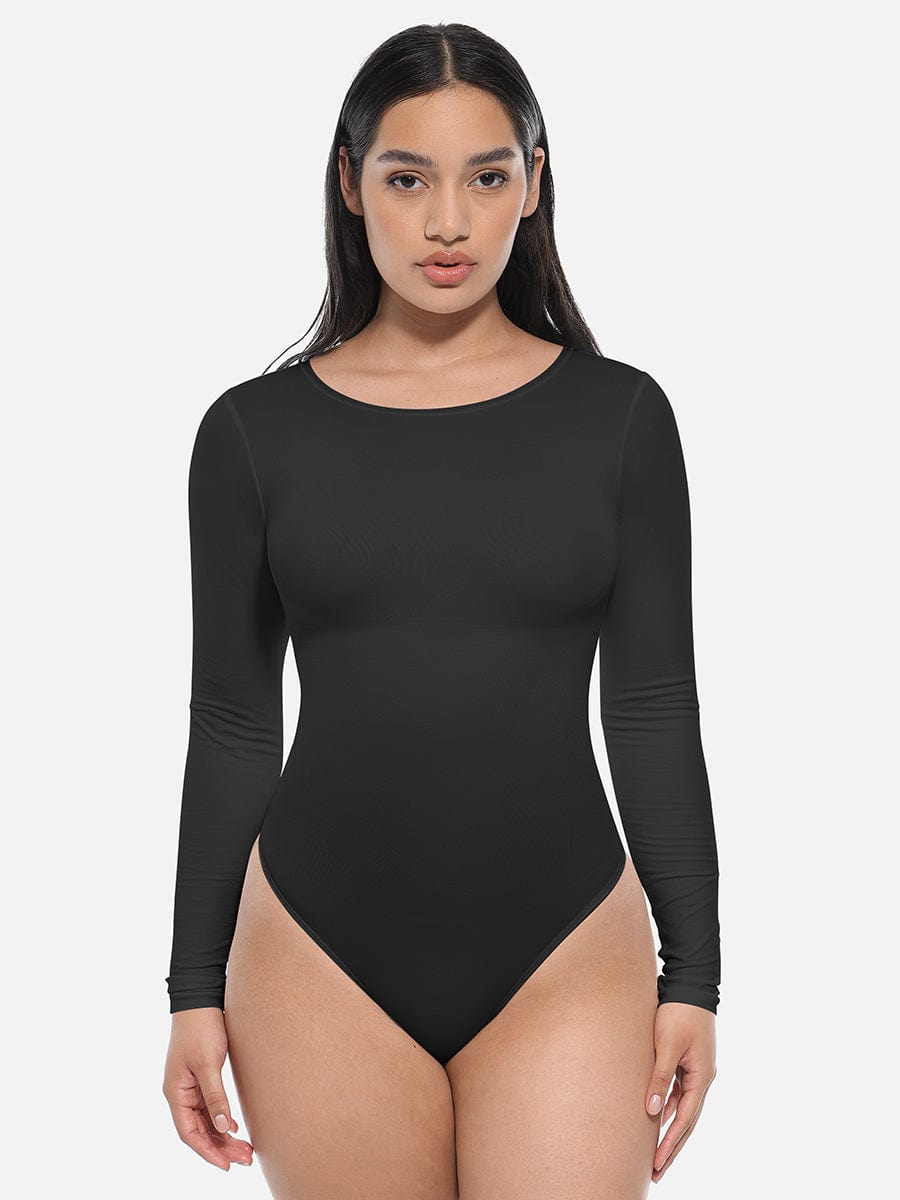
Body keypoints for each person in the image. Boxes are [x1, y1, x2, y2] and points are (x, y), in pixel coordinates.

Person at [161, 21, 720, 1199]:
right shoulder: (253, 434)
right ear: (350, 183)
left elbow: (655, 707)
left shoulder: (621, 419)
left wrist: (696, 977)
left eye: (488, 177)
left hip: (568, 948)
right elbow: (233, 726)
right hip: (314, 955)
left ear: (535, 181)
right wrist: (192, 991)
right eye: (408, 179)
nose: (449, 223)